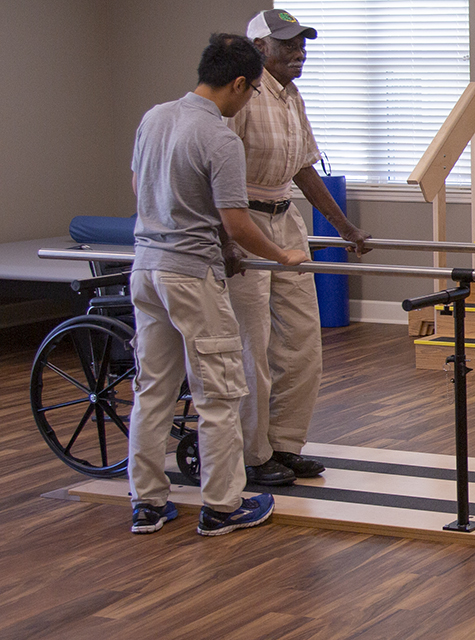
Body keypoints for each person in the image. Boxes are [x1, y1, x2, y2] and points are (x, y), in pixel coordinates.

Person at [127, 33, 307, 536]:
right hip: (191, 275)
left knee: (153, 390)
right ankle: (222, 506)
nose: (248, 102)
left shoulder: (155, 117)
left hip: (145, 269)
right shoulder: (220, 137)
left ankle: (147, 503)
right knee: (218, 393)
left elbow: (141, 189)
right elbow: (237, 223)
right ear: (239, 83)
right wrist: (282, 255)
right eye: (250, 92)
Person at [226, 9, 373, 486]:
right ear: (259, 48)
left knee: (301, 342)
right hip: (242, 223)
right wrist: (219, 235)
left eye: (302, 43)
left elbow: (305, 167)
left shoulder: (291, 96)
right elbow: (210, 172)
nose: (299, 52)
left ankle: (284, 444)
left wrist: (345, 228)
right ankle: (252, 454)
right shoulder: (241, 95)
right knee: (255, 346)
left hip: (284, 219)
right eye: (288, 44)